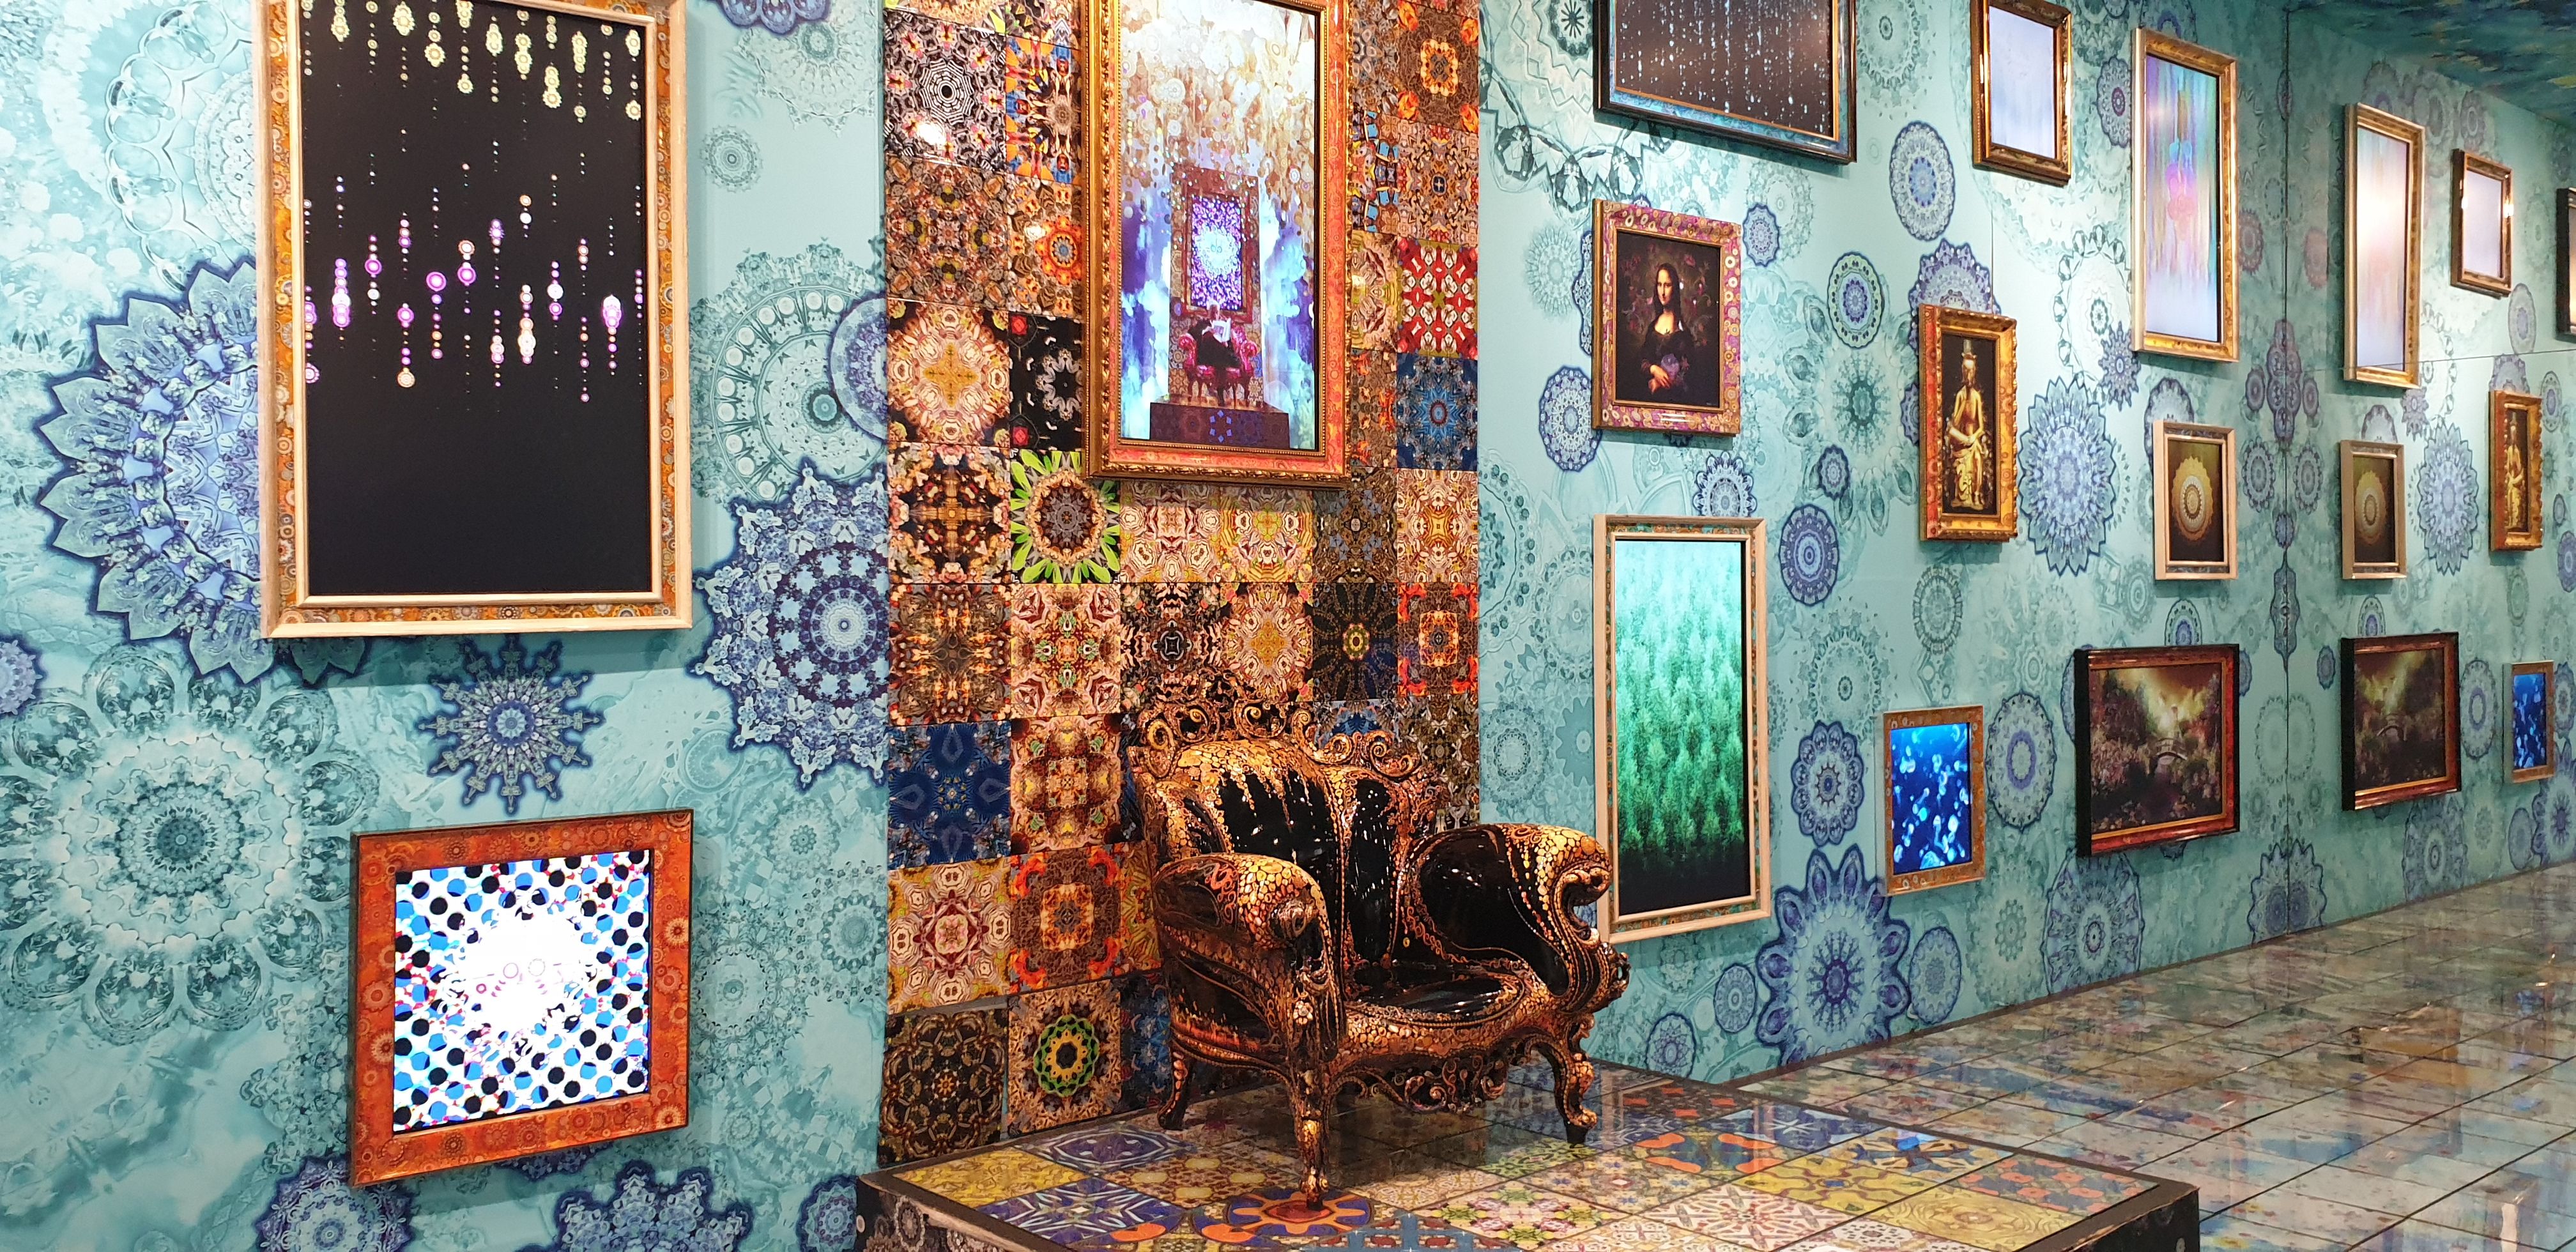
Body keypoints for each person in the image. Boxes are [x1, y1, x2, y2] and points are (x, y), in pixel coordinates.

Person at [1624, 263, 1705, 405]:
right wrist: (1653, 369)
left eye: (1667, 285)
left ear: (1674, 288)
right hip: (1650, 402)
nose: (1662, 291)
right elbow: (1641, 360)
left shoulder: (1682, 331)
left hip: (1675, 402)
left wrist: (1662, 383)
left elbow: (1689, 375)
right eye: (1659, 285)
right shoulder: (1653, 326)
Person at [1947, 343, 1991, 510]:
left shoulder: (1977, 397)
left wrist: (1974, 437)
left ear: (1975, 371)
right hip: (1962, 442)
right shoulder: (1960, 396)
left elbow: (1981, 427)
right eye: (1966, 371)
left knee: (1978, 459)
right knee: (1964, 463)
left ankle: (1977, 495)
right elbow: (1953, 427)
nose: (1968, 374)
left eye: (1971, 371)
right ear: (1962, 372)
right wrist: (1964, 439)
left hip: (1973, 441)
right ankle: (1961, 495)